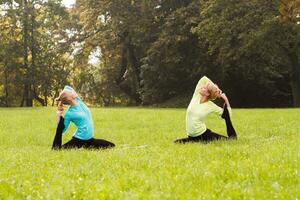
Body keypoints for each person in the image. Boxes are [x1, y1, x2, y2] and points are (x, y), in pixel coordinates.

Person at [174, 76, 237, 143]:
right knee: (176, 142)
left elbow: (228, 114)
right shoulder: (197, 95)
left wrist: (225, 99)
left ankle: (232, 137)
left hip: (204, 134)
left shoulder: (210, 105)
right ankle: (194, 140)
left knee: (230, 140)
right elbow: (203, 78)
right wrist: (217, 89)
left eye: (204, 88)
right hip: (191, 136)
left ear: (207, 94)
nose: (202, 87)